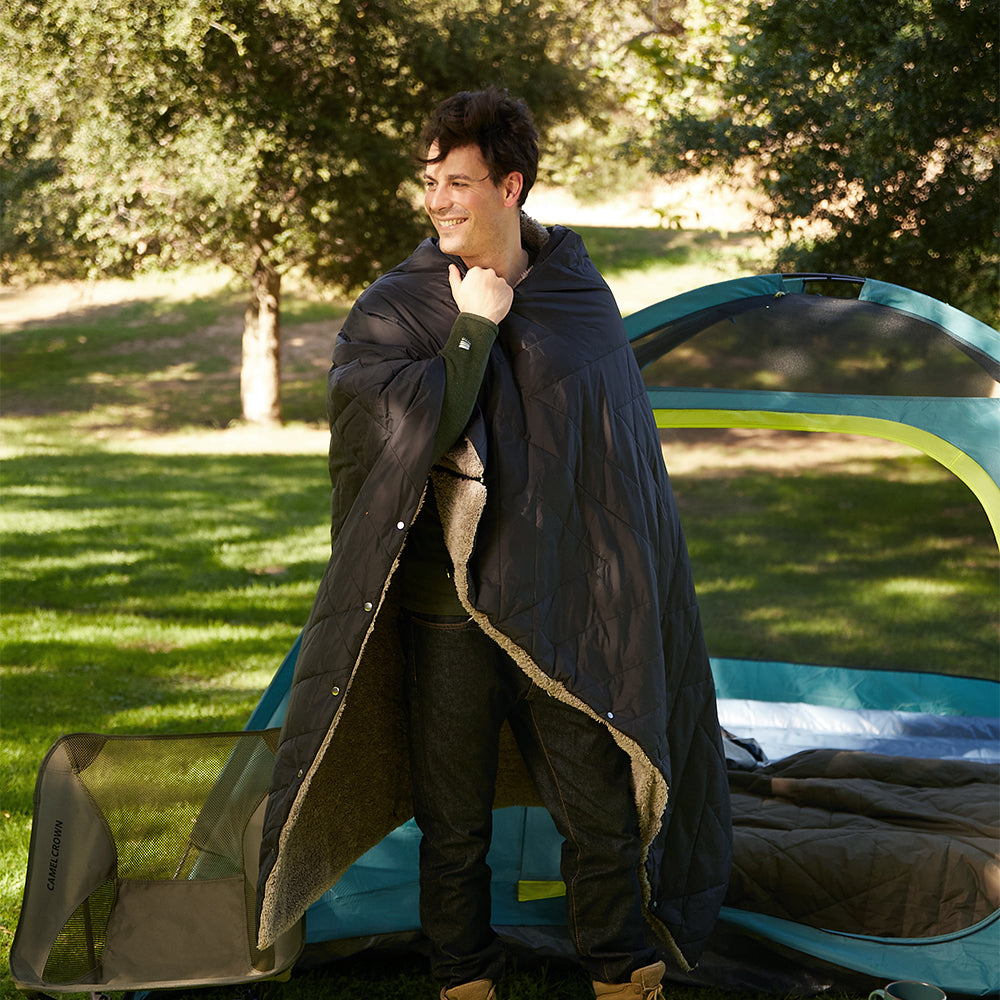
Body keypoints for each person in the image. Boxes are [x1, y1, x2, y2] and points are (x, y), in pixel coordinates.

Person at [255, 88, 732, 1000]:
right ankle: (463, 980)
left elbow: (615, 459)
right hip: (448, 617)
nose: (437, 200)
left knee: (599, 812)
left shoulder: (577, 293)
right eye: (429, 181)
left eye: (458, 182)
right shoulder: (396, 307)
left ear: (510, 186)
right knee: (454, 826)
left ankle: (623, 977)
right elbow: (400, 436)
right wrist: (475, 324)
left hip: (562, 608)